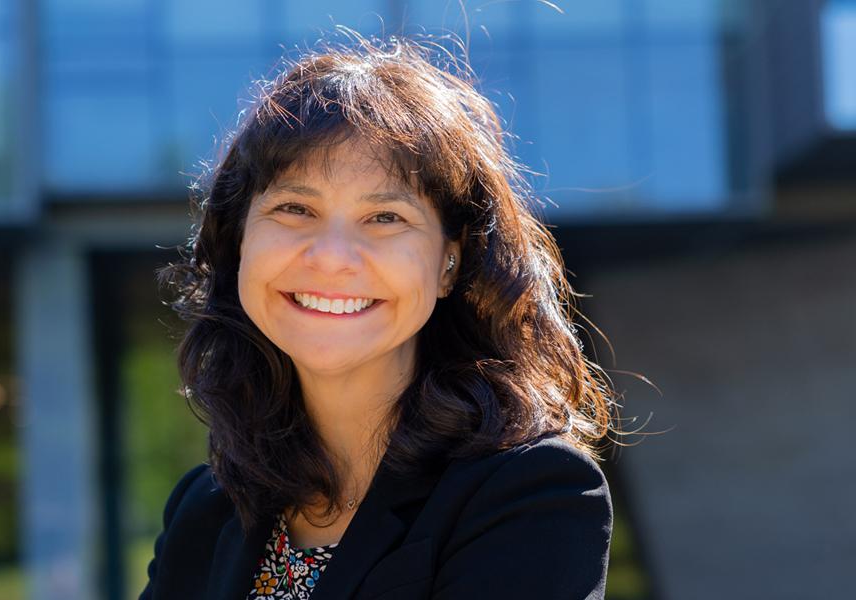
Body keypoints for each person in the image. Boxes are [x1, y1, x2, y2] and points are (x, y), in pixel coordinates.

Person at [145, 35, 624, 600]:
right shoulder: (205, 508)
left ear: (450, 264)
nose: (331, 257)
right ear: (239, 242)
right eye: (295, 208)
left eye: (385, 217)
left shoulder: (530, 492)